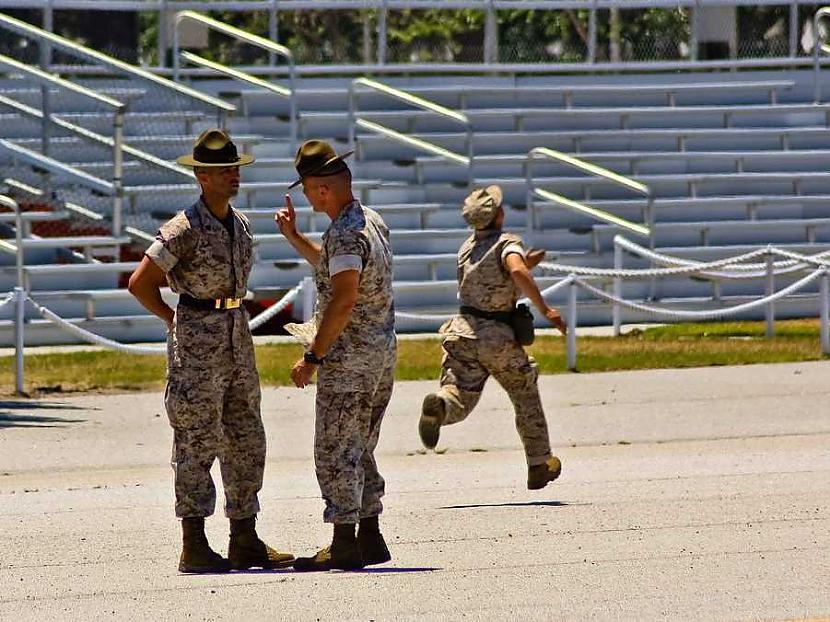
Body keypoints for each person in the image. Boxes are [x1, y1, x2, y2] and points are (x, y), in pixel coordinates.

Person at [128, 129, 294, 573]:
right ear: (202, 175)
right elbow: (140, 282)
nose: (232, 176)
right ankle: (195, 543)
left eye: (235, 168)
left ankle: (244, 536)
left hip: (237, 336)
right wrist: (172, 319)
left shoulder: (238, 223)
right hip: (198, 339)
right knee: (197, 439)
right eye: (222, 170)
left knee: (246, 437)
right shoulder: (183, 228)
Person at [275, 139, 396, 571]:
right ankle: (370, 535)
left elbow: (343, 296)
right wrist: (294, 237)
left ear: (321, 190)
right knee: (360, 445)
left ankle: (344, 541)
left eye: (307, 190)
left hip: (350, 360)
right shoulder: (367, 221)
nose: (307, 198)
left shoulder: (345, 232)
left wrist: (314, 356)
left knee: (336, 448)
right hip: (380, 352)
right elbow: (337, 267)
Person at [418, 185, 568, 490]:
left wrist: (526, 262)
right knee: (525, 395)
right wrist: (547, 309)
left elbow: (483, 279)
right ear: (498, 215)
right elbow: (516, 272)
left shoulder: (466, 248)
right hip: (497, 337)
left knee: (460, 394)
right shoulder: (507, 244)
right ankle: (539, 463)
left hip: (462, 332)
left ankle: (441, 408)